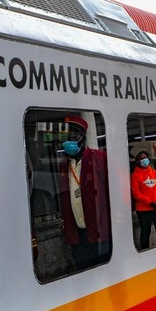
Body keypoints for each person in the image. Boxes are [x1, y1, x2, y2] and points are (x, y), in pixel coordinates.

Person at [57, 115, 111, 271]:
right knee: (82, 269)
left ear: (82, 138)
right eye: (65, 137)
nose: (68, 141)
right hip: (77, 233)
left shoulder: (99, 158)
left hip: (99, 230)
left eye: (72, 136)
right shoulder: (63, 166)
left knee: (103, 271)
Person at [131, 150, 156, 249]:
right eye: (141, 158)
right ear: (137, 162)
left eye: (145, 157)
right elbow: (136, 193)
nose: (144, 159)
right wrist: (150, 202)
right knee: (145, 234)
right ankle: (144, 254)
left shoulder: (155, 173)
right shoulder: (135, 175)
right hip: (144, 210)